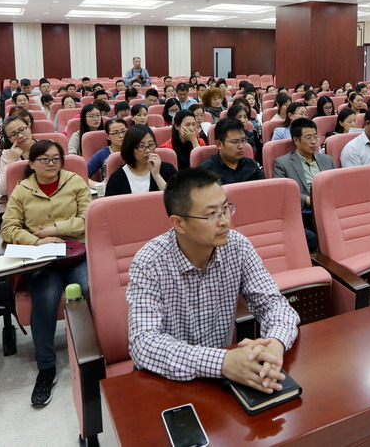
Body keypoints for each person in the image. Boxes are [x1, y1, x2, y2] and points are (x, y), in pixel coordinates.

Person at [127, 167, 300, 387]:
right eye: (211, 214)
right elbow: (143, 343)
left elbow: (274, 305)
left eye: (225, 209)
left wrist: (274, 344)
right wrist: (222, 362)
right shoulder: (149, 262)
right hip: (169, 381)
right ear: (179, 223)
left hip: (227, 377)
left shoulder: (237, 246)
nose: (224, 221)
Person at [0, 140, 89, 407]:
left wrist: (55, 229)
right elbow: (8, 227)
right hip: (42, 257)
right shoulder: (22, 189)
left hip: (75, 251)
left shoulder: (74, 181)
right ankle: (46, 368)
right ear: (31, 163)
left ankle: (93, 354)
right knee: (47, 296)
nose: (51, 164)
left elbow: (88, 217)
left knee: (86, 288)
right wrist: (38, 241)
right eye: (44, 159)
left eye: (55, 159)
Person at [275, 117, 335, 210]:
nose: (314, 142)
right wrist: (307, 199)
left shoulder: (328, 160)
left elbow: (337, 184)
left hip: (331, 204)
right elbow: (281, 192)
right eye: (309, 138)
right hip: (305, 210)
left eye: (315, 137)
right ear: (296, 141)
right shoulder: (282, 163)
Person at [105, 125, 177, 196]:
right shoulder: (117, 178)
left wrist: (157, 175)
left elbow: (177, 199)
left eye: (151, 145)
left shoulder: (167, 169)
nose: (148, 150)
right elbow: (110, 203)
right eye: (141, 146)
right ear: (130, 148)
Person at [200, 118, 263, 184]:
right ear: (219, 144)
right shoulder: (206, 172)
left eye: (243, 141)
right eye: (235, 142)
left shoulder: (252, 165)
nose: (241, 146)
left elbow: (264, 188)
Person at [0, 115, 35, 198]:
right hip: (21, 198)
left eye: (22, 130)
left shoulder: (46, 146)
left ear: (29, 127)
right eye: (13, 134)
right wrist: (11, 162)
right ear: (9, 139)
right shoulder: (7, 154)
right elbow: (3, 190)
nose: (20, 136)